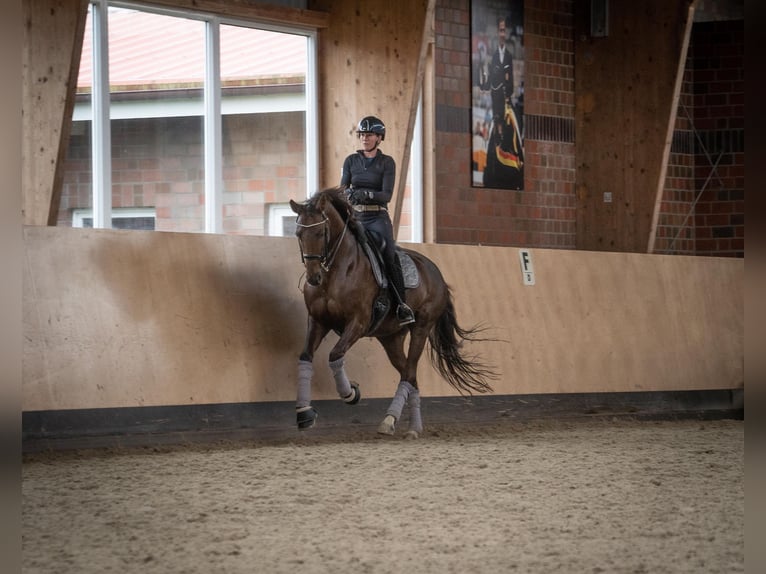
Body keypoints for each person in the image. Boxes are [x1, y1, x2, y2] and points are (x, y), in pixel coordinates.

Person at [340, 116, 415, 326]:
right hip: (356, 216)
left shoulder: (386, 162)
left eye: (369, 135)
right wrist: (348, 195)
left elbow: (386, 195)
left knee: (389, 255)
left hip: (377, 217)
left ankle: (402, 304)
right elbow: (342, 188)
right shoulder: (350, 161)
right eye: (362, 135)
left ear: (379, 138)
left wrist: (365, 194)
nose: (365, 138)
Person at [479, 15, 514, 126]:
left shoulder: (509, 56)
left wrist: (507, 96)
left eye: (504, 31)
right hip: (496, 104)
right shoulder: (493, 57)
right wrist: (483, 84)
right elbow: (488, 82)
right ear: (497, 33)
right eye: (500, 31)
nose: (502, 34)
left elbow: (511, 81)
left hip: (506, 103)